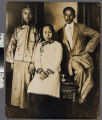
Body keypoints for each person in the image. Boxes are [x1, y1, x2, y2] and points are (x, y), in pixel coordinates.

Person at [58, 7, 100, 103]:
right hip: (70, 59)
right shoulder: (60, 31)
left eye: (71, 15)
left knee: (88, 73)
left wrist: (88, 50)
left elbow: (97, 35)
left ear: (74, 16)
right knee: (80, 71)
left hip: (83, 57)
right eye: (66, 15)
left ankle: (80, 96)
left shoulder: (81, 27)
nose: (68, 17)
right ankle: (79, 96)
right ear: (63, 16)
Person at [6, 5, 40, 109]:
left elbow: (37, 47)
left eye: (30, 13)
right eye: (25, 13)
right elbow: (12, 44)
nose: (28, 16)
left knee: (27, 83)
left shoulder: (36, 30)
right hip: (17, 60)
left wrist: (33, 62)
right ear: (22, 15)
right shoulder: (18, 29)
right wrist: (11, 61)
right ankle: (17, 105)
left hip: (29, 61)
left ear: (33, 15)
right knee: (17, 84)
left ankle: (27, 107)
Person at [27, 24, 63, 118]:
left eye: (49, 32)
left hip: (52, 73)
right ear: (42, 33)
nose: (47, 35)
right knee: (33, 89)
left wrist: (47, 72)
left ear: (53, 33)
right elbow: (37, 59)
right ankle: (36, 115)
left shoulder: (58, 45)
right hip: (40, 73)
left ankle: (48, 115)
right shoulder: (40, 45)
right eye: (45, 32)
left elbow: (57, 60)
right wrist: (40, 71)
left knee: (47, 94)